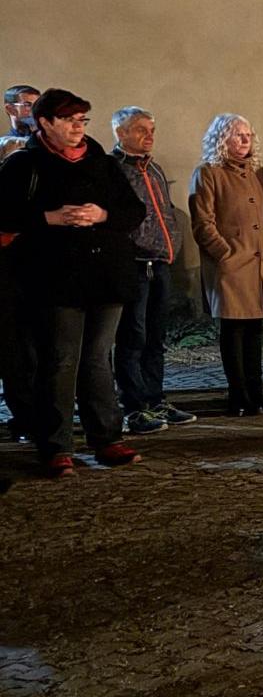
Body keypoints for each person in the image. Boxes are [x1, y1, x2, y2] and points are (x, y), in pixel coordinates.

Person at [0, 89, 144, 475]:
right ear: (45, 122)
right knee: (61, 360)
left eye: (82, 120)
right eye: (69, 120)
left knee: (98, 360)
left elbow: (134, 210)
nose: (78, 128)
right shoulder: (23, 166)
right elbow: (6, 215)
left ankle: (107, 439)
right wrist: (51, 218)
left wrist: (100, 215)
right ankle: (56, 446)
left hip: (105, 277)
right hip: (54, 279)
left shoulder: (103, 164)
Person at [190, 113, 263, 417]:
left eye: (249, 135)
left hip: (260, 263)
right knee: (233, 329)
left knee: (254, 330)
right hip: (232, 265)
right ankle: (238, 395)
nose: (245, 140)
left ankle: (256, 392)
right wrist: (224, 253)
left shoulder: (258, 174)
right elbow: (203, 222)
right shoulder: (209, 173)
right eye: (238, 135)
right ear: (222, 139)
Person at [110, 106, 196, 432]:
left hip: (160, 262)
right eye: (141, 130)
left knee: (156, 337)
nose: (149, 137)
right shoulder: (116, 170)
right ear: (121, 133)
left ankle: (155, 397)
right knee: (133, 336)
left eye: (152, 130)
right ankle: (133, 406)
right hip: (133, 265)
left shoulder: (155, 169)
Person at [0, 84, 39, 443]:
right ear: (11, 109)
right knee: (15, 346)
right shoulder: (5, 148)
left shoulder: (47, 150)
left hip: (43, 261)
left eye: (36, 105)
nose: (31, 111)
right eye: (25, 105)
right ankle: (24, 414)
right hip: (10, 263)